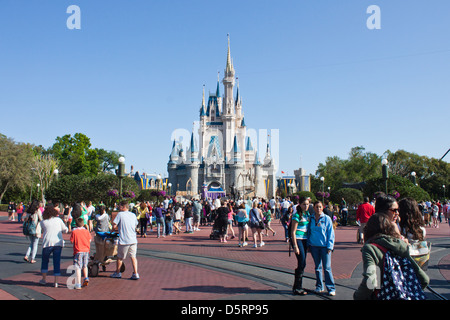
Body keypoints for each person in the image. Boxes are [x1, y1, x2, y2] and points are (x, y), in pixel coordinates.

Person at [353, 213, 429, 300]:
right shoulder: (400, 246)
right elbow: (424, 279)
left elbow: (372, 281)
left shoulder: (371, 248)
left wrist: (358, 296)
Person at [308, 200, 335, 296]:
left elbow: (330, 233)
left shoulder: (327, 219)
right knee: (317, 267)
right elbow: (309, 232)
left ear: (322, 207)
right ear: (314, 208)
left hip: (324, 247)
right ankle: (319, 286)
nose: (318, 209)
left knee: (327, 268)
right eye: (316, 207)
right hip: (314, 246)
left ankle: (331, 287)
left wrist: (330, 246)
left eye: (320, 207)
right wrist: (308, 244)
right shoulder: (311, 218)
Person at [39, 205, 69, 287]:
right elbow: (65, 229)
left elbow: (41, 230)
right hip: (57, 243)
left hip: (47, 243)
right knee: (56, 261)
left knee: (45, 261)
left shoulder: (43, 222)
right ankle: (56, 281)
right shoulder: (58, 220)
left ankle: (44, 279)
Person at [111, 200, 139, 280]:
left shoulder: (120, 214)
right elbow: (135, 225)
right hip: (133, 240)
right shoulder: (133, 215)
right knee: (133, 257)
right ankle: (135, 273)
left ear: (123, 207)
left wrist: (112, 231)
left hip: (124, 240)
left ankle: (118, 273)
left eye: (119, 206)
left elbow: (114, 225)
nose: (118, 207)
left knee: (119, 257)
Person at [290, 197, 311, 295]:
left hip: (305, 240)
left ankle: (297, 286)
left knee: (302, 263)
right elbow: (293, 232)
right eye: (304, 204)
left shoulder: (307, 214)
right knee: (302, 261)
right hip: (298, 239)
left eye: (307, 204)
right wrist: (295, 246)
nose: (306, 206)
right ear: (300, 204)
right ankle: (298, 287)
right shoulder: (296, 215)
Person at [70, 217, 91, 289]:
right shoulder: (86, 231)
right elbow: (90, 239)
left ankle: (78, 283)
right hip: (86, 250)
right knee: (85, 265)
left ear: (76, 224)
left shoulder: (74, 232)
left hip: (78, 250)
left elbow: (71, 241)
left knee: (78, 267)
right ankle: (86, 278)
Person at [23, 200, 43, 264]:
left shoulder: (28, 211)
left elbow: (25, 219)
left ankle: (27, 255)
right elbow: (41, 219)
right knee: (35, 244)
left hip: (29, 229)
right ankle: (33, 258)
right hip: (36, 229)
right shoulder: (37, 211)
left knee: (31, 243)